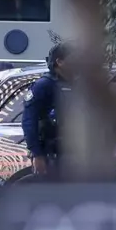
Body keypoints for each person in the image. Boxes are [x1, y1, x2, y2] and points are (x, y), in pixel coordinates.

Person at [21, 42, 72, 176]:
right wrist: (37, 155)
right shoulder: (43, 85)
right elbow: (29, 120)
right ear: (59, 62)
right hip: (52, 154)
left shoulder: (75, 84)